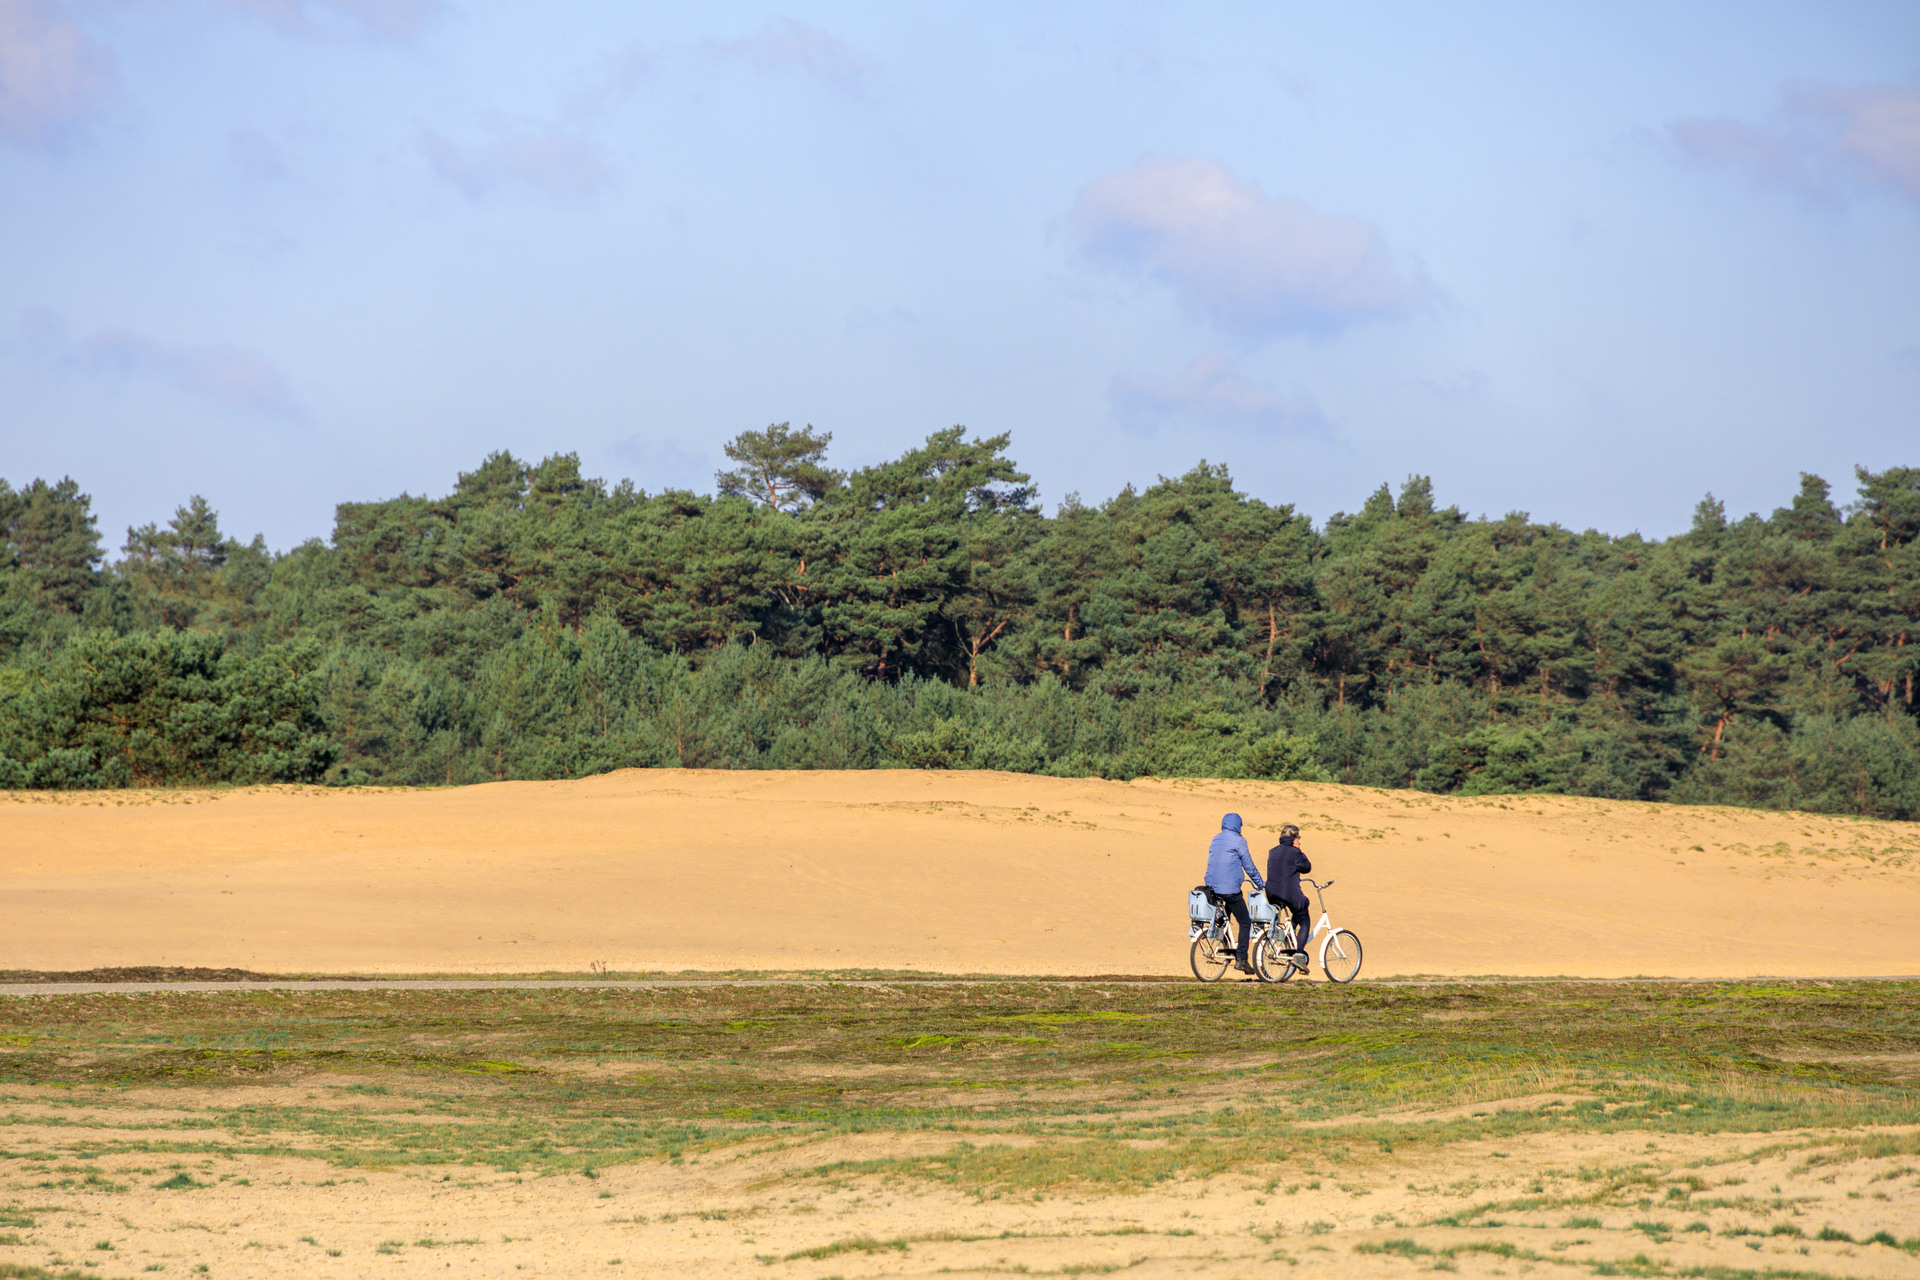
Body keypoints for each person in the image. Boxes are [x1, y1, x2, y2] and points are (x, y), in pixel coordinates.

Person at [1204, 813, 1266, 974]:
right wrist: (1261, 884)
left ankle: (1224, 940)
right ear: (1238, 825)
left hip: (1211, 888)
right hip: (1229, 890)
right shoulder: (1239, 841)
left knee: (1226, 914)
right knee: (1245, 922)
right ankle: (1241, 959)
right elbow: (1249, 866)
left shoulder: (1215, 839)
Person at [1265, 823, 1313, 969]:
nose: (1299, 840)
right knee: (1304, 918)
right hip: (1288, 893)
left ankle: (1289, 933)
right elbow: (1307, 867)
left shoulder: (1272, 851)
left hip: (1271, 893)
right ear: (1294, 838)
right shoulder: (1295, 852)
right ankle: (1299, 955)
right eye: (1298, 837)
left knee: (1297, 909)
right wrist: (1299, 850)